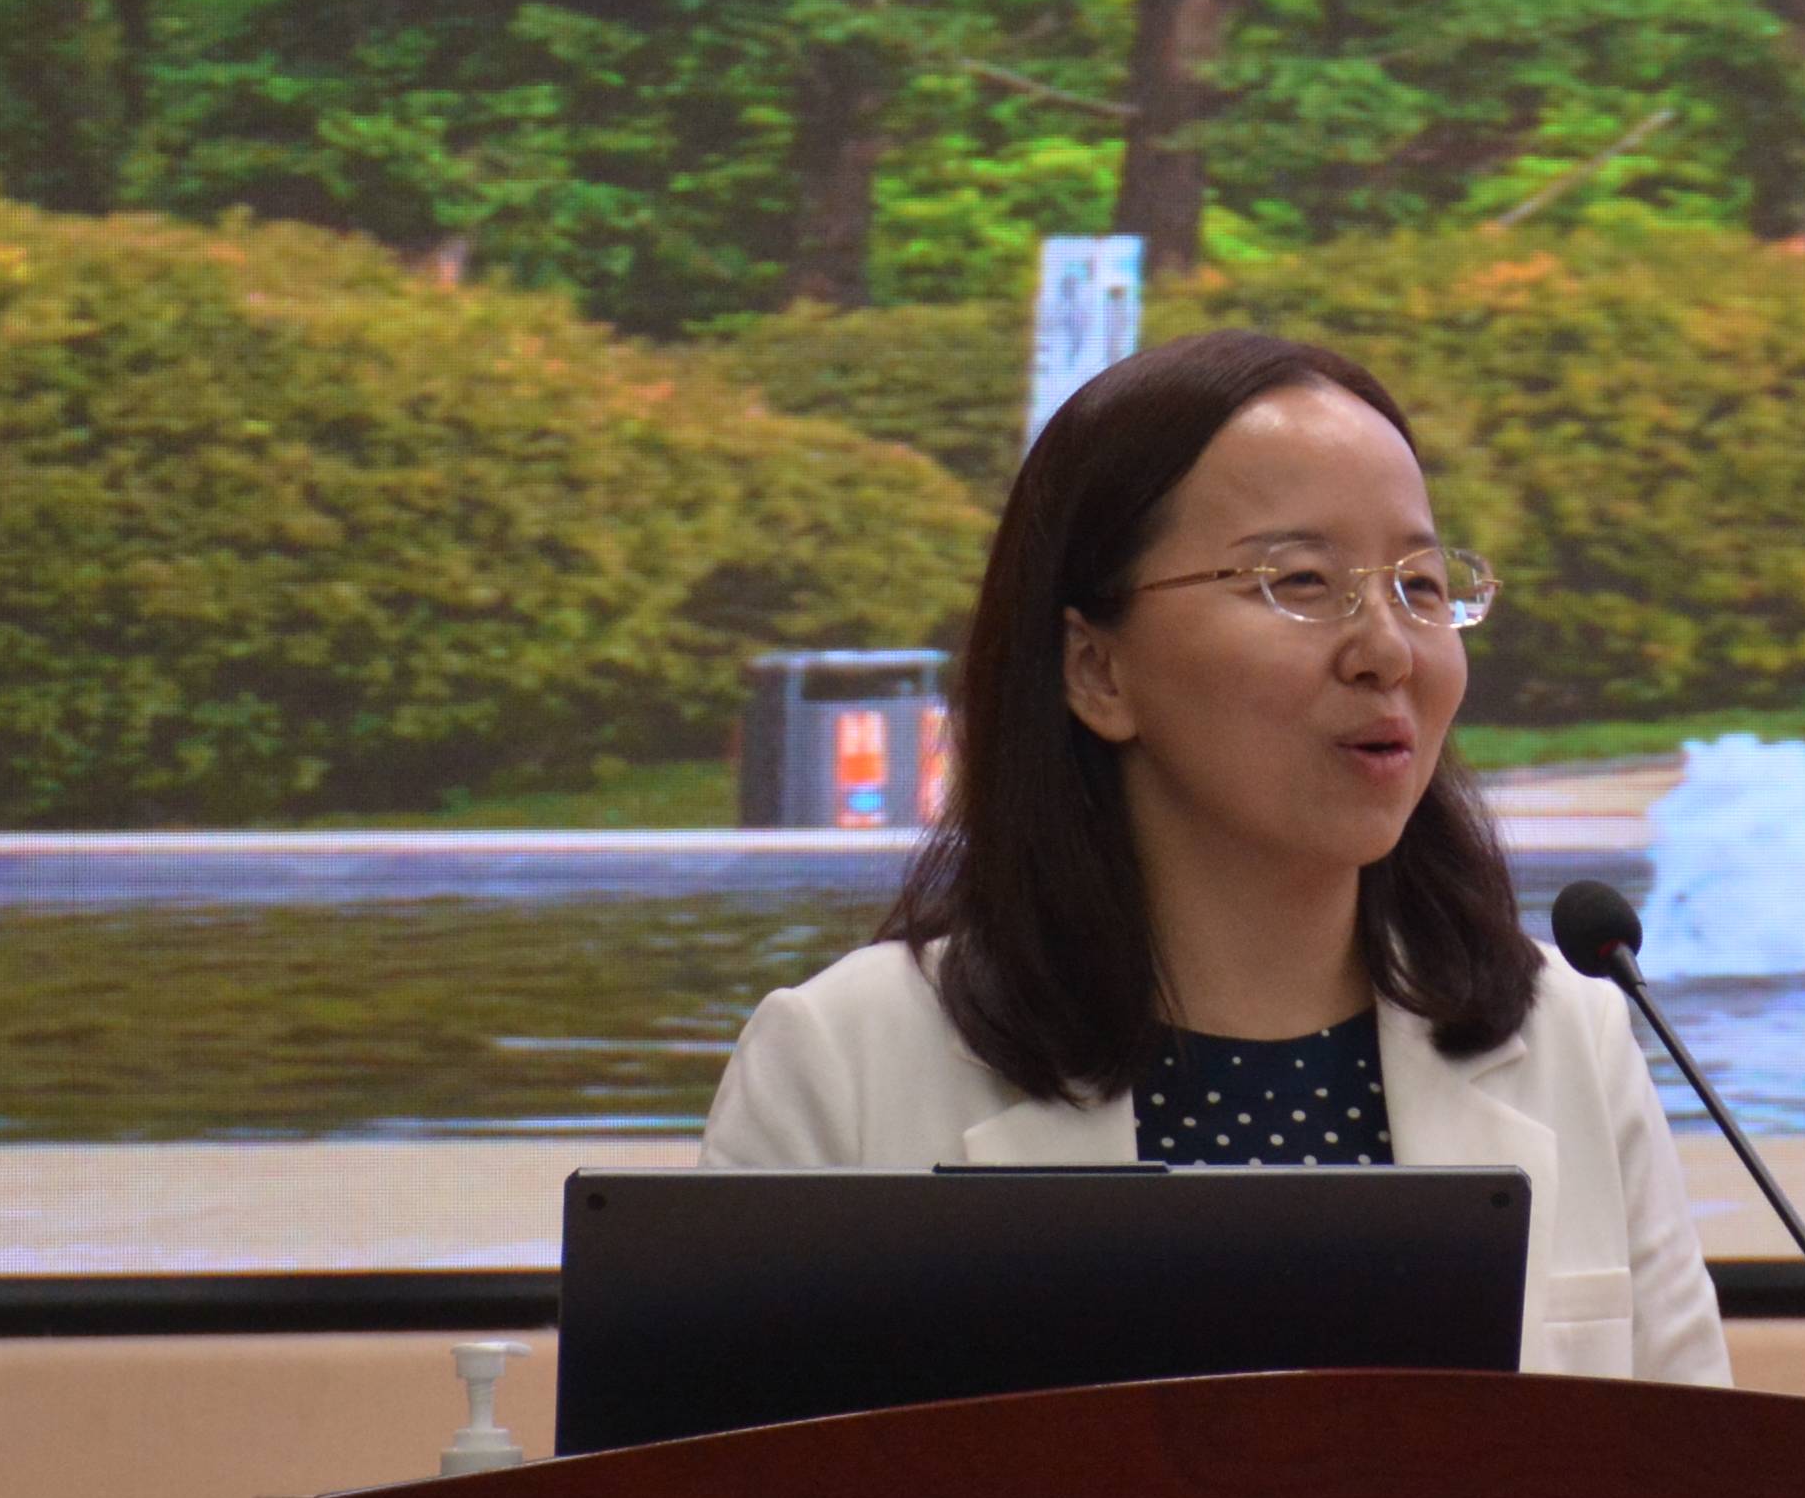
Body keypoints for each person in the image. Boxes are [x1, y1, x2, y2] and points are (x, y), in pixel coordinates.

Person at [701, 325, 1730, 1385]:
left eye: (1421, 586)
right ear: (1096, 669)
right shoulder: (841, 1064)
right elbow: (730, 1491)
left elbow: (1685, 1475)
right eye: (1301, 580)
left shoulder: (1572, 1038)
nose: (1386, 649)